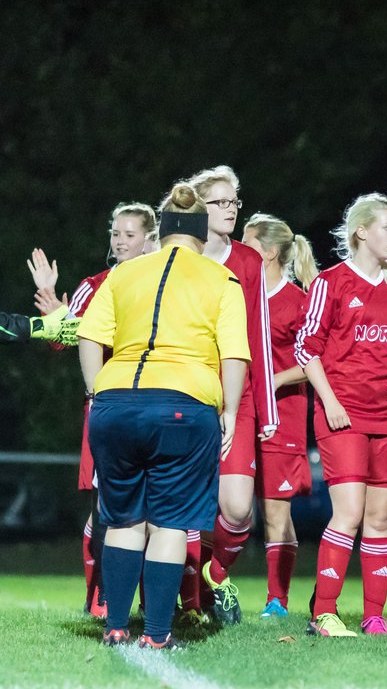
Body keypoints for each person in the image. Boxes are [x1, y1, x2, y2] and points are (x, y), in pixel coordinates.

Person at [77, 182, 250, 649]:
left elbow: (89, 337)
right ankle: (155, 635)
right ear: (198, 232)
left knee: (124, 519)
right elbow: (234, 354)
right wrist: (231, 411)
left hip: (115, 404)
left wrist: (97, 393)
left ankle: (115, 626)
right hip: (182, 405)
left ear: (164, 229)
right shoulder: (221, 280)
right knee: (171, 523)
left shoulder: (124, 274)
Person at [295, 194, 387, 637]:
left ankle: (372, 614)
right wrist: (329, 401)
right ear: (361, 232)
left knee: (379, 519)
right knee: (347, 513)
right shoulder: (331, 282)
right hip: (343, 415)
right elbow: (305, 348)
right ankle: (324, 612)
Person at [30, 202, 158, 617]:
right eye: (116, 234)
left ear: (150, 239)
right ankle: (102, 592)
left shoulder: (164, 285)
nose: (120, 241)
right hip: (109, 408)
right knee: (108, 504)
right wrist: (55, 310)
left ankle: (164, 595)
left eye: (129, 234)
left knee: (158, 507)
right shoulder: (96, 284)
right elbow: (60, 341)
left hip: (160, 404)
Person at [187, 165, 277, 626]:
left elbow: (258, 335)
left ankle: (212, 576)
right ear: (198, 208)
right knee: (184, 506)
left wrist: (266, 408)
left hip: (236, 400)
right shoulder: (180, 256)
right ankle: (186, 601)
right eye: (220, 202)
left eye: (234, 201)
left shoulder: (249, 261)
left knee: (238, 508)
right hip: (186, 392)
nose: (230, 210)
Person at [241, 214, 317, 618]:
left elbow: (315, 361)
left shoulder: (298, 301)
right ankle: (211, 583)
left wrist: (272, 380)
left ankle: (277, 600)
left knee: (275, 511)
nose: (238, 248)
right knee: (231, 506)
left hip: (282, 416)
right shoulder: (238, 296)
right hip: (238, 415)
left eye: (247, 242)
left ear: (268, 252)